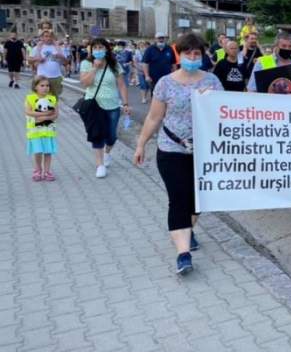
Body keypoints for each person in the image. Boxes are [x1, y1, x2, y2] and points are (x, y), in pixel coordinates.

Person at [133, 33, 223, 275]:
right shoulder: (165, 83)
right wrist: (141, 143)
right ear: (179, 55)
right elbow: (154, 117)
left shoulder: (212, 81)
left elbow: (223, 114)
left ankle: (189, 229)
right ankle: (183, 254)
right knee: (178, 199)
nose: (192, 58)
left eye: (197, 54)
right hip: (171, 149)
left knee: (198, 200)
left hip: (204, 151)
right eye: (188, 54)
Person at [79, 38, 131, 179]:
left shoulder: (114, 65)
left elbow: (121, 85)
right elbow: (85, 83)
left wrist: (125, 104)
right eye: (95, 48)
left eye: (101, 47)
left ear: (107, 49)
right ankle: (100, 165)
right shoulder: (86, 63)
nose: (98, 50)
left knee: (111, 136)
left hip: (113, 105)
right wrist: (95, 68)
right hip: (94, 105)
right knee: (97, 135)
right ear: (91, 50)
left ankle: (107, 153)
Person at [25, 75, 59, 181]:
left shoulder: (52, 99)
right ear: (35, 87)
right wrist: (44, 115)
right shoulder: (30, 98)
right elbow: (28, 111)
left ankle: (47, 171)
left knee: (48, 152)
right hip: (35, 131)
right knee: (38, 151)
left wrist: (44, 117)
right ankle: (38, 170)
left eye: (47, 85)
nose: (45, 88)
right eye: (42, 85)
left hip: (48, 130)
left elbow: (56, 114)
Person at [29, 30, 67, 97]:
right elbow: (29, 60)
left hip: (56, 77)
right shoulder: (37, 48)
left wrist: (61, 57)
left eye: (50, 36)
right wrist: (37, 59)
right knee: (42, 99)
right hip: (42, 78)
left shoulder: (58, 48)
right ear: (42, 38)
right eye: (46, 36)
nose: (48, 38)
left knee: (54, 99)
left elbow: (66, 62)